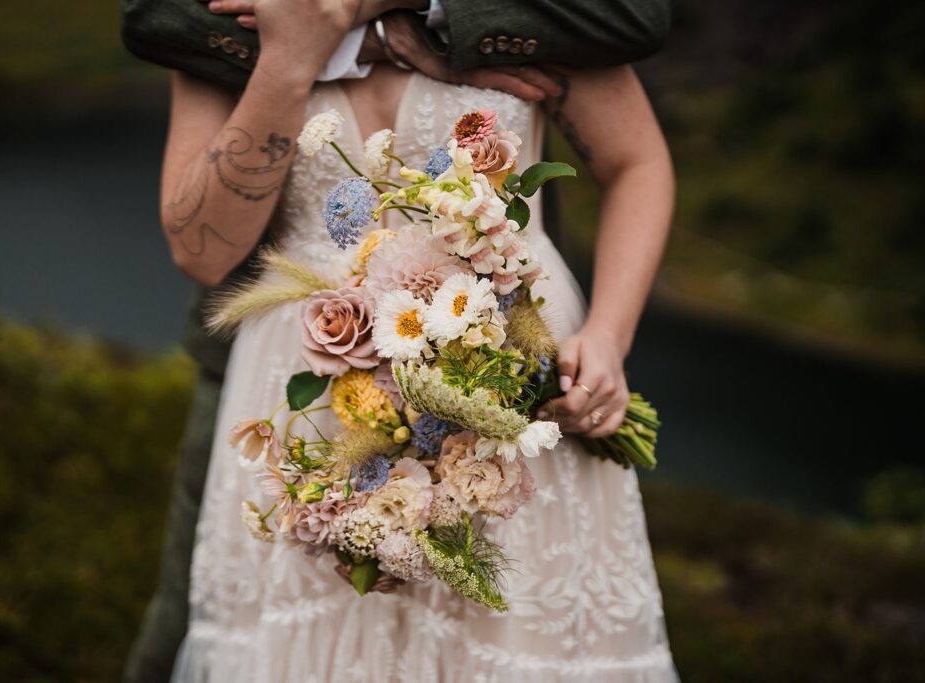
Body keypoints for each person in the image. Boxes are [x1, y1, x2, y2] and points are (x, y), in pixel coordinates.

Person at [120, 0, 674, 681]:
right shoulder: (231, 14)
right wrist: (291, 59)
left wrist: (609, 336)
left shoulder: (521, 10)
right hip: (314, 397)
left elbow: (636, 162)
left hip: (511, 384)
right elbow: (201, 252)